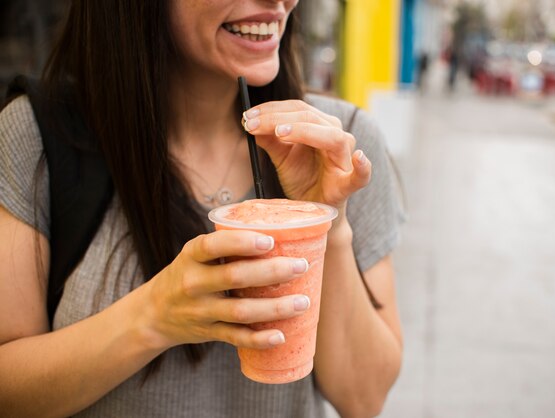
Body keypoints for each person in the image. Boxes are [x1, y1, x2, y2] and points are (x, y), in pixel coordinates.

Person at [0, 1, 404, 417]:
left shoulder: (338, 143)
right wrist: (154, 317)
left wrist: (328, 224)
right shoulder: (36, 139)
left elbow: (364, 398)